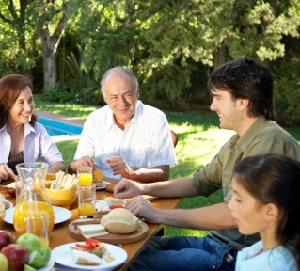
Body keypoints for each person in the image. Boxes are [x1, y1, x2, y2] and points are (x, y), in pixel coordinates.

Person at [113, 57, 300, 271]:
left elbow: (233, 214)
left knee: (126, 262)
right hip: (216, 244)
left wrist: (157, 214)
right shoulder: (238, 141)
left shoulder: (270, 141)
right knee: (130, 246)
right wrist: (143, 187)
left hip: (235, 257)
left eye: (218, 98)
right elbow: (199, 182)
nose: (212, 106)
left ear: (242, 101)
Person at [68, 66, 177, 182]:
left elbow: (163, 173)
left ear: (137, 93)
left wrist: (131, 172)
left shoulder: (156, 119)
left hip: (139, 194)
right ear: (105, 97)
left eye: (127, 95)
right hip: (101, 193)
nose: (122, 103)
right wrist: (75, 166)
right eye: (114, 97)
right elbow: (73, 169)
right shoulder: (94, 120)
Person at [229, 153, 300, 270]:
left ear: (270, 211)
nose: (230, 205)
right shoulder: (269, 248)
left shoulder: (274, 267)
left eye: (239, 200)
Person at [0, 74, 65, 182]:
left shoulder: (37, 129)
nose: (28, 108)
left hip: (26, 195)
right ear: (6, 105)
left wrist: (38, 175)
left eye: (30, 100)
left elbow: (59, 164)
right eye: (21, 103)